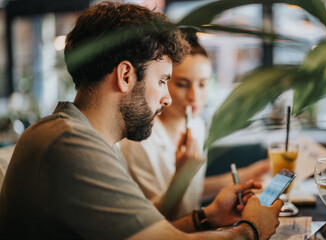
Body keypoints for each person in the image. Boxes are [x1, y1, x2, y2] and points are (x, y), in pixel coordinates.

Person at [0, 2, 282, 239]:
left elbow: (147, 234)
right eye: (162, 81)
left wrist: (207, 217)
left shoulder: (87, 139)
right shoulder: (69, 144)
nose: (167, 98)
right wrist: (250, 230)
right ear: (125, 76)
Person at [120, 30, 270, 219]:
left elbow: (192, 192)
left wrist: (247, 174)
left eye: (202, 84)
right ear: (163, 83)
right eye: (183, 84)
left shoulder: (197, 126)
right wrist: (181, 176)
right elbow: (157, 221)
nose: (194, 97)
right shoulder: (139, 140)